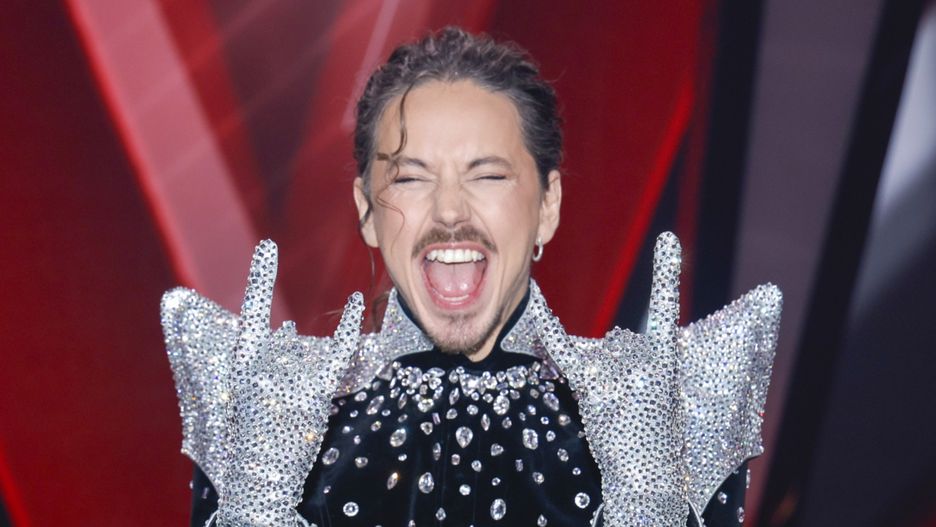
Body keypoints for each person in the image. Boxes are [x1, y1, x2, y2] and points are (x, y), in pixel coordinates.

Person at [162, 27, 782, 527]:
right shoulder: (272, 409)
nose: (450, 211)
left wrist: (649, 506)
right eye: (411, 178)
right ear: (367, 212)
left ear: (548, 205)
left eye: (487, 175)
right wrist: (258, 507)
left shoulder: (653, 407)